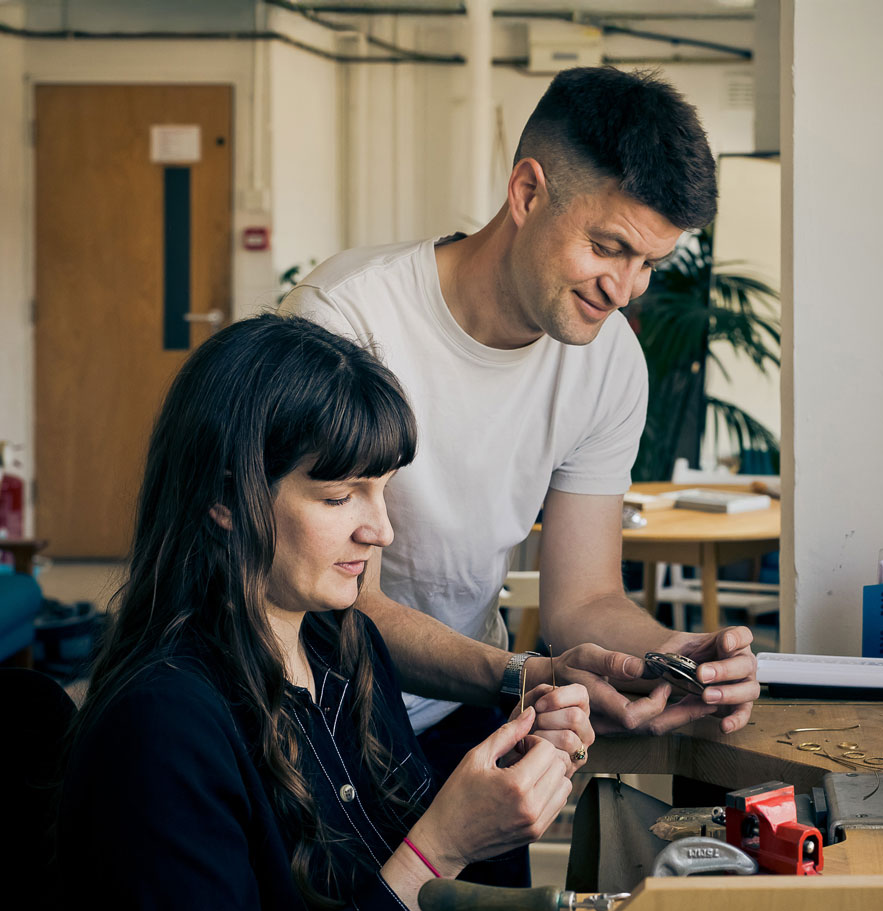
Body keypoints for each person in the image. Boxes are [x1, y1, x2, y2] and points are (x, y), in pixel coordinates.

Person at [56, 315, 594, 911]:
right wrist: (442, 848)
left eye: (382, 488)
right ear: (226, 497)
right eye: (340, 496)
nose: (382, 530)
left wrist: (512, 781)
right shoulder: (162, 728)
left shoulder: (345, 646)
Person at [279, 67, 759, 765]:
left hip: (470, 706)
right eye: (608, 247)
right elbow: (345, 608)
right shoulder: (347, 322)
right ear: (528, 193)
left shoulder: (609, 361)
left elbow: (584, 598)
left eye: (650, 263)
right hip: (318, 712)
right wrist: (523, 676)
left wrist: (674, 656)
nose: (624, 291)